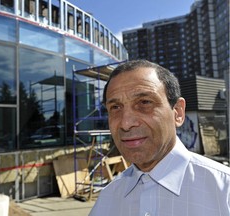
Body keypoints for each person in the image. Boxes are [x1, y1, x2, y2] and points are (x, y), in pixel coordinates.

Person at [89, 60, 230, 216]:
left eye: (144, 102)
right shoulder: (106, 200)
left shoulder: (224, 192)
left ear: (178, 112)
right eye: (115, 107)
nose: (126, 123)